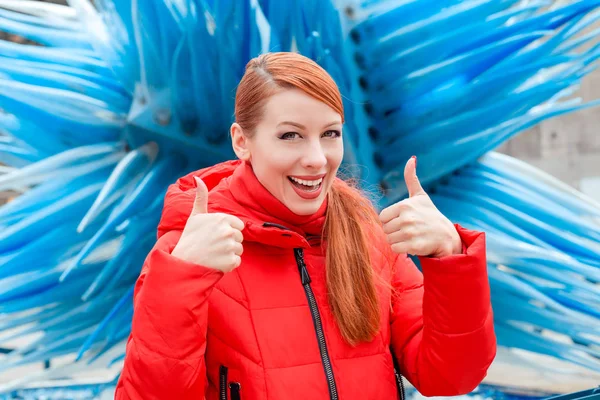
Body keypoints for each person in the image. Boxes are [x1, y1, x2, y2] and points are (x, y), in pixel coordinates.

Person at [114, 52, 496, 400]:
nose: (316, 159)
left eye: (330, 134)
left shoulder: (367, 236)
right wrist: (181, 282)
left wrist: (451, 257)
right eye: (290, 135)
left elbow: (450, 377)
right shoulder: (193, 250)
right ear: (241, 141)